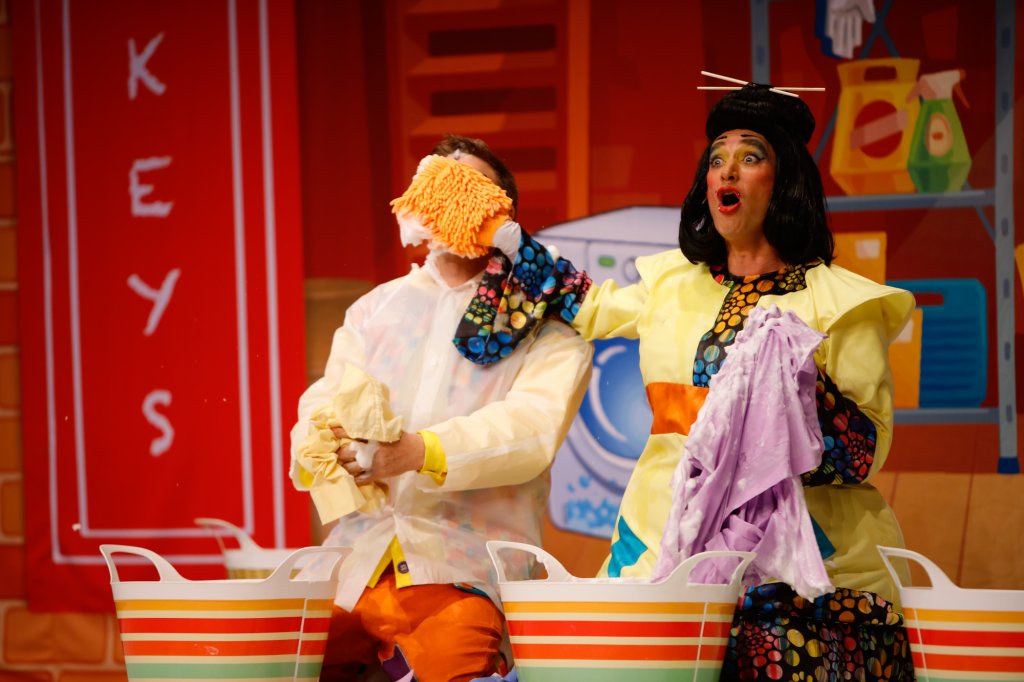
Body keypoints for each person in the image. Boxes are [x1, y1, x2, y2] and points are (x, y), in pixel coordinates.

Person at [433, 85, 917, 679]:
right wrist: (507, 239)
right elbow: (588, 306)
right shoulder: (672, 284)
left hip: (802, 556)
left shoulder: (842, 304)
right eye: (717, 159)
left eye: (750, 157)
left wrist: (793, 383)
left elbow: (865, 452)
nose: (727, 171)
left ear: (786, 179)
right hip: (664, 536)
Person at [289, 134, 593, 682]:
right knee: (273, 658)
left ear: (502, 215)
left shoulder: (545, 328)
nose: (451, 199)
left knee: (456, 667)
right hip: (353, 560)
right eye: (438, 185)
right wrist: (327, 439)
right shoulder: (373, 311)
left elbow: (530, 429)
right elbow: (325, 399)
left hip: (464, 568)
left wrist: (416, 451)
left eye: (469, 188)